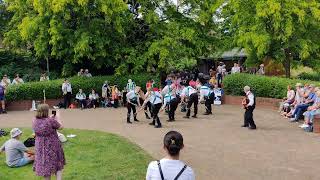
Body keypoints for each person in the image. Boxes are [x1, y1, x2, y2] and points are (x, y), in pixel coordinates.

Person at [32, 104, 65, 180]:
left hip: (40, 146)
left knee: (45, 167)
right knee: (58, 164)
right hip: (52, 145)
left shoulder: (34, 120)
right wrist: (58, 118)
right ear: (46, 111)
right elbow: (61, 127)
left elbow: (43, 123)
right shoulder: (50, 121)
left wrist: (51, 118)